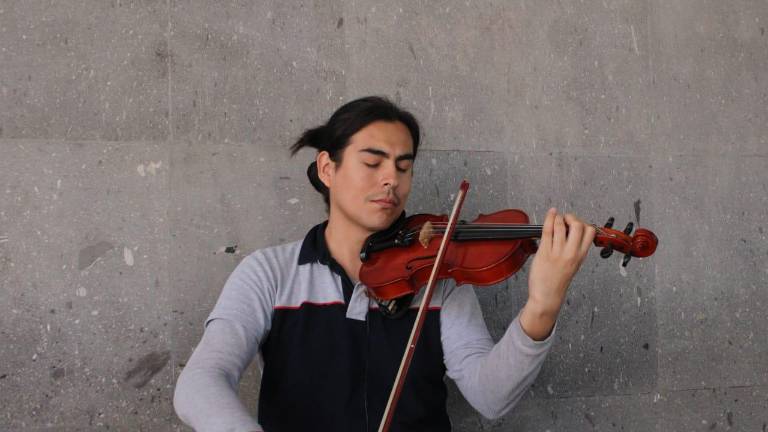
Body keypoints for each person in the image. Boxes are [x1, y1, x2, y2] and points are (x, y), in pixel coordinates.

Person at [173, 96, 596, 431]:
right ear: (327, 168)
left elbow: (491, 397)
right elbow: (198, 384)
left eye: (404, 166)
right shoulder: (270, 273)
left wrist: (542, 306)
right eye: (372, 163)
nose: (391, 179)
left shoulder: (439, 276)